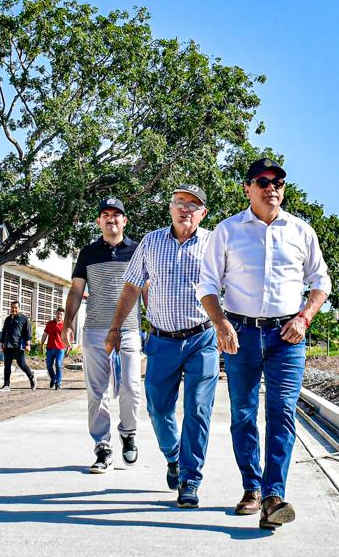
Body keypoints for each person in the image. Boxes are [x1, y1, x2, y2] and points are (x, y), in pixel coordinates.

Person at [198, 158, 330, 530]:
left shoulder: (302, 232)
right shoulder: (226, 231)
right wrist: (221, 323)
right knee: (242, 415)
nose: (271, 187)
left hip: (286, 337)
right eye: (262, 181)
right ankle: (251, 488)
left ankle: (274, 495)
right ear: (248, 188)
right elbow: (207, 284)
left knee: (282, 412)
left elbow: (321, 281)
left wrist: (304, 317)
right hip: (239, 334)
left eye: (278, 182)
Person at [106, 184, 217, 508]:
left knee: (198, 409)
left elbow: (233, 288)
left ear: (203, 213)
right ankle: (174, 456)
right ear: (170, 208)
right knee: (158, 408)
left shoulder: (213, 244)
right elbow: (131, 288)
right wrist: (115, 328)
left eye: (193, 205)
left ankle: (190, 479)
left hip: (202, 339)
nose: (185, 209)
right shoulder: (151, 242)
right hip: (161, 340)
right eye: (179, 202)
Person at [64, 196, 142, 474]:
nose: (111, 219)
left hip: (129, 330)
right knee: (98, 392)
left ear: (125, 220)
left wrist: (156, 324)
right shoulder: (87, 253)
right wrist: (68, 321)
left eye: (116, 214)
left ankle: (129, 433)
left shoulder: (138, 250)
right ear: (99, 221)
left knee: (131, 387)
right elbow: (75, 290)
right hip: (95, 330)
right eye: (105, 215)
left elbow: (146, 291)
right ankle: (102, 447)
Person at [0, 300, 36, 390]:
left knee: (22, 364)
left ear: (19, 308)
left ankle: (32, 377)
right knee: (7, 365)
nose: (14, 309)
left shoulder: (23, 318)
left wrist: (28, 343)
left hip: (18, 346)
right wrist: (1, 343)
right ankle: (6, 385)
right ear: (10, 308)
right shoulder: (8, 319)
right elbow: (4, 331)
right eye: (12, 307)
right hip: (8, 345)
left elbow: (28, 331)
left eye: (16, 307)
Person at [43, 307, 68, 389]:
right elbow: (45, 335)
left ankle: (58, 382)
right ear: (55, 314)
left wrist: (68, 347)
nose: (59, 316)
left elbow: (66, 338)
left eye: (61, 314)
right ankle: (53, 378)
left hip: (60, 349)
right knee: (49, 366)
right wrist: (41, 345)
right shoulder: (50, 323)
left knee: (58, 365)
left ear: (63, 316)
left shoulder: (64, 325)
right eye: (58, 314)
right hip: (50, 348)